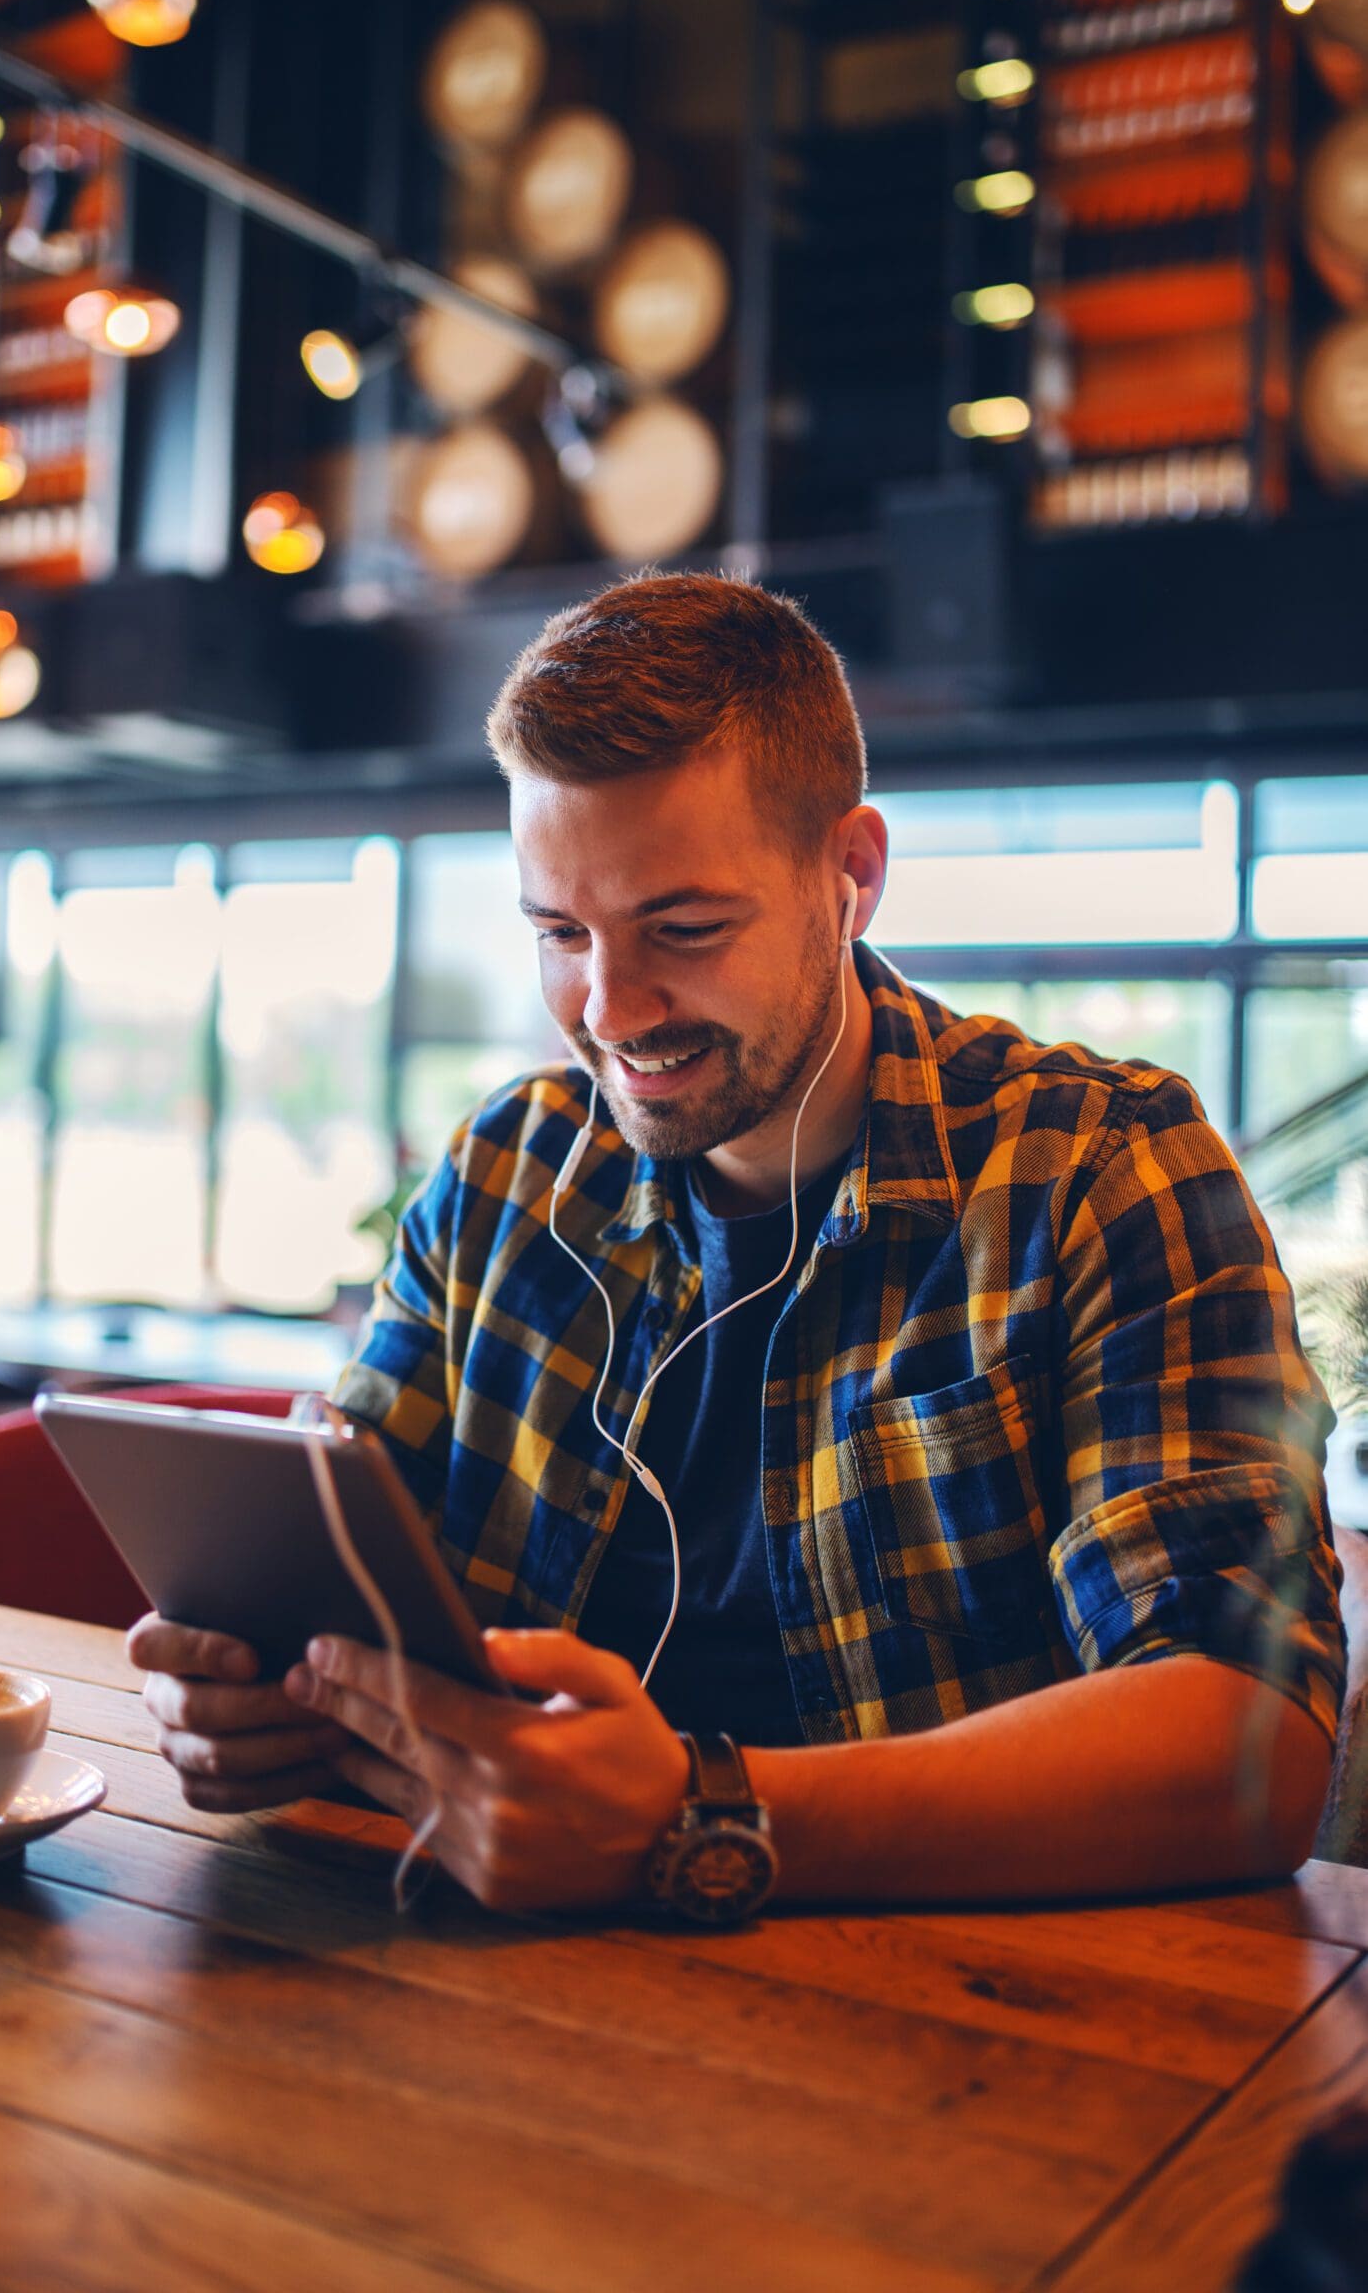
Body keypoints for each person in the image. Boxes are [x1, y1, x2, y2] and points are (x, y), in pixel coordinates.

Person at [133, 573, 1345, 1922]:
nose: (609, 1009)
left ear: (852, 874)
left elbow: (1252, 1750)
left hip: (959, 2029)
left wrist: (699, 1816)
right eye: (557, 933)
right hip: (471, 1976)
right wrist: (254, 1697)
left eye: (683, 929)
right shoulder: (502, 1176)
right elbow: (341, 1573)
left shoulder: (1098, 1172)